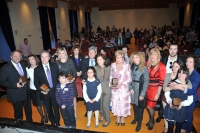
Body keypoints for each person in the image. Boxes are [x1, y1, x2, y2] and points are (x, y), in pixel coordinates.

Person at [0, 50, 32, 122]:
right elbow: (1, 82)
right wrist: (15, 85)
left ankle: (30, 124)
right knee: (18, 114)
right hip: (16, 94)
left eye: (19, 56)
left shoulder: (24, 64)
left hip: (26, 92)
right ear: (11, 57)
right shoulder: (5, 68)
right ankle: (19, 126)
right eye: (15, 56)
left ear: (21, 57)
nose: (17, 58)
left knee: (29, 111)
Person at [170, 56, 200, 133]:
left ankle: (188, 130)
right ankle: (182, 128)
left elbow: (193, 90)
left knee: (188, 116)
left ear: (194, 63)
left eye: (190, 62)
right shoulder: (184, 70)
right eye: (187, 61)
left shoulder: (196, 75)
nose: (188, 63)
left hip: (191, 97)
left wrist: (180, 87)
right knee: (181, 113)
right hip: (182, 96)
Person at [156, 43, 183, 123]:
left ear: (177, 50)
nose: (173, 51)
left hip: (176, 84)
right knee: (163, 101)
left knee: (174, 101)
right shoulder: (164, 58)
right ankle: (161, 114)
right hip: (165, 83)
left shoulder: (181, 60)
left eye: (175, 49)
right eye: (171, 49)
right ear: (168, 50)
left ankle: (171, 118)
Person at [162, 61, 190, 133]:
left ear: (187, 75)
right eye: (180, 72)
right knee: (170, 127)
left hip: (182, 108)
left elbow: (190, 98)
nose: (181, 75)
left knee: (178, 126)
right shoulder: (173, 82)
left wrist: (182, 104)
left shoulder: (189, 84)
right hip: (171, 107)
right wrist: (170, 101)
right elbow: (167, 93)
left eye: (184, 73)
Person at [34, 50, 60, 126]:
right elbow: (36, 82)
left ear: (49, 58)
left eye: (46, 57)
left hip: (55, 91)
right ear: (40, 58)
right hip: (45, 92)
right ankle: (52, 121)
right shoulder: (37, 69)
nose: (44, 58)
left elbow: (59, 77)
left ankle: (57, 121)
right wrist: (41, 90)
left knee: (56, 108)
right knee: (48, 109)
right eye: (42, 57)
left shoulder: (54, 65)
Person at [109, 50, 132, 126]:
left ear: (123, 58)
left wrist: (121, 83)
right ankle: (118, 117)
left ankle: (122, 117)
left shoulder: (127, 66)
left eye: (120, 57)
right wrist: (111, 83)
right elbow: (111, 76)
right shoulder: (112, 65)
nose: (118, 59)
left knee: (122, 103)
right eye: (117, 57)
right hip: (114, 88)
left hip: (123, 89)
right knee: (116, 103)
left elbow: (129, 78)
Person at [146, 48, 166, 130]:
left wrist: (158, 93)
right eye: (151, 54)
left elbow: (162, 81)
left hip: (155, 89)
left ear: (158, 56)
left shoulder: (161, 66)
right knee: (149, 106)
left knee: (149, 107)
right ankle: (151, 119)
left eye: (155, 54)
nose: (152, 56)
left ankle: (151, 121)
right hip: (147, 88)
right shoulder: (147, 63)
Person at [129, 51, 149, 132]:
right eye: (133, 57)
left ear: (141, 58)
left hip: (140, 90)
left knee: (140, 109)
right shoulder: (132, 66)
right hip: (133, 91)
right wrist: (130, 88)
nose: (135, 59)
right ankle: (135, 118)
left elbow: (146, 82)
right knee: (135, 106)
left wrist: (142, 94)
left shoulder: (144, 68)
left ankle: (139, 123)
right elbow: (129, 79)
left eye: (136, 57)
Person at [56, 47, 77, 119]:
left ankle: (74, 113)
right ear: (58, 54)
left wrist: (73, 78)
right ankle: (66, 114)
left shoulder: (70, 61)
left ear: (65, 53)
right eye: (59, 53)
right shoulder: (56, 63)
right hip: (61, 83)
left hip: (71, 82)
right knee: (63, 98)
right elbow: (56, 74)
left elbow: (74, 71)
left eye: (63, 53)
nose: (61, 55)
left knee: (73, 98)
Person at [26, 54, 48, 124]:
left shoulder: (41, 67)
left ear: (36, 59)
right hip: (33, 88)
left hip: (42, 87)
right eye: (29, 60)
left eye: (32, 59)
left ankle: (46, 115)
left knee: (45, 103)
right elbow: (25, 78)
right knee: (38, 104)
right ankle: (42, 116)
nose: (31, 61)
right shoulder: (27, 69)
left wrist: (46, 88)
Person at [94, 54, 111, 127]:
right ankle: (103, 116)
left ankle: (108, 120)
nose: (98, 61)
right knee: (100, 106)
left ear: (104, 59)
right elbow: (90, 76)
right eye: (97, 60)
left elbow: (114, 77)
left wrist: (113, 84)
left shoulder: (109, 68)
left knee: (105, 105)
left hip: (107, 89)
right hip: (98, 89)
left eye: (100, 59)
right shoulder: (95, 68)